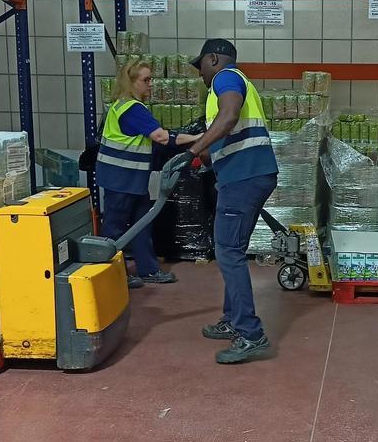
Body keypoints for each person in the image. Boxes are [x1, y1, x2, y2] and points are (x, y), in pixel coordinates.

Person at [162, 39, 279, 364]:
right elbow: (230, 132)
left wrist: (191, 152)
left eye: (201, 66)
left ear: (214, 59)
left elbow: (227, 118)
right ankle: (232, 319)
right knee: (232, 249)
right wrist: (206, 159)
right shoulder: (238, 82)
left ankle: (250, 334)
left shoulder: (225, 78)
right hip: (249, 174)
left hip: (244, 178)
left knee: (228, 251)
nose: (200, 74)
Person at [82, 59, 199, 288]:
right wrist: (198, 138)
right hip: (121, 179)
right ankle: (113, 275)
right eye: (146, 80)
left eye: (151, 79)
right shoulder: (132, 109)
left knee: (142, 222)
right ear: (131, 82)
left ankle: (148, 269)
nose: (151, 84)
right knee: (114, 229)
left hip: (131, 179)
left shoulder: (122, 106)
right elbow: (162, 138)